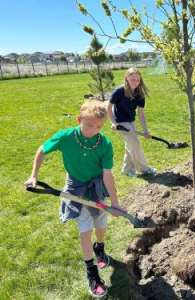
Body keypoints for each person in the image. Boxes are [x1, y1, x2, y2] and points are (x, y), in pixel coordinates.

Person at [24, 100, 123, 297]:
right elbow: (42, 150)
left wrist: (115, 203)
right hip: (75, 187)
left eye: (98, 127)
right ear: (79, 120)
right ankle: (92, 273)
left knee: (101, 225)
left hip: (97, 187)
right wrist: (34, 175)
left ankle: (100, 247)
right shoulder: (66, 136)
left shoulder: (104, 143)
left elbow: (107, 175)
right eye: (88, 125)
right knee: (85, 228)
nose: (93, 130)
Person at [107, 67, 156, 177]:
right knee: (135, 145)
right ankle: (144, 169)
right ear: (126, 79)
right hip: (121, 123)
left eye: (138, 80)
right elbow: (108, 107)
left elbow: (141, 114)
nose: (135, 82)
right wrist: (114, 122)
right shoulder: (120, 91)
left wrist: (146, 131)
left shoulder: (140, 94)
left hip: (131, 122)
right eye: (133, 79)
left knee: (130, 145)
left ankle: (127, 170)